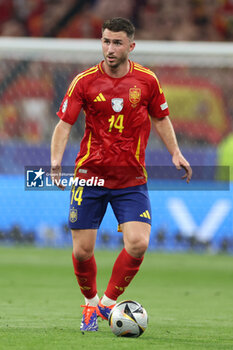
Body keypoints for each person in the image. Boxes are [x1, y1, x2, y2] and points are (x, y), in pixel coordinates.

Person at [50, 17, 192, 332]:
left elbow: (161, 118)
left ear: (131, 45)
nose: (110, 48)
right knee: (82, 250)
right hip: (90, 176)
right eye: (105, 41)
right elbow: (64, 124)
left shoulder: (147, 81)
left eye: (117, 42)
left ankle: (107, 302)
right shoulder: (84, 81)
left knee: (139, 243)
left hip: (131, 178)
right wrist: (56, 161)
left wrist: (175, 152)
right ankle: (89, 302)